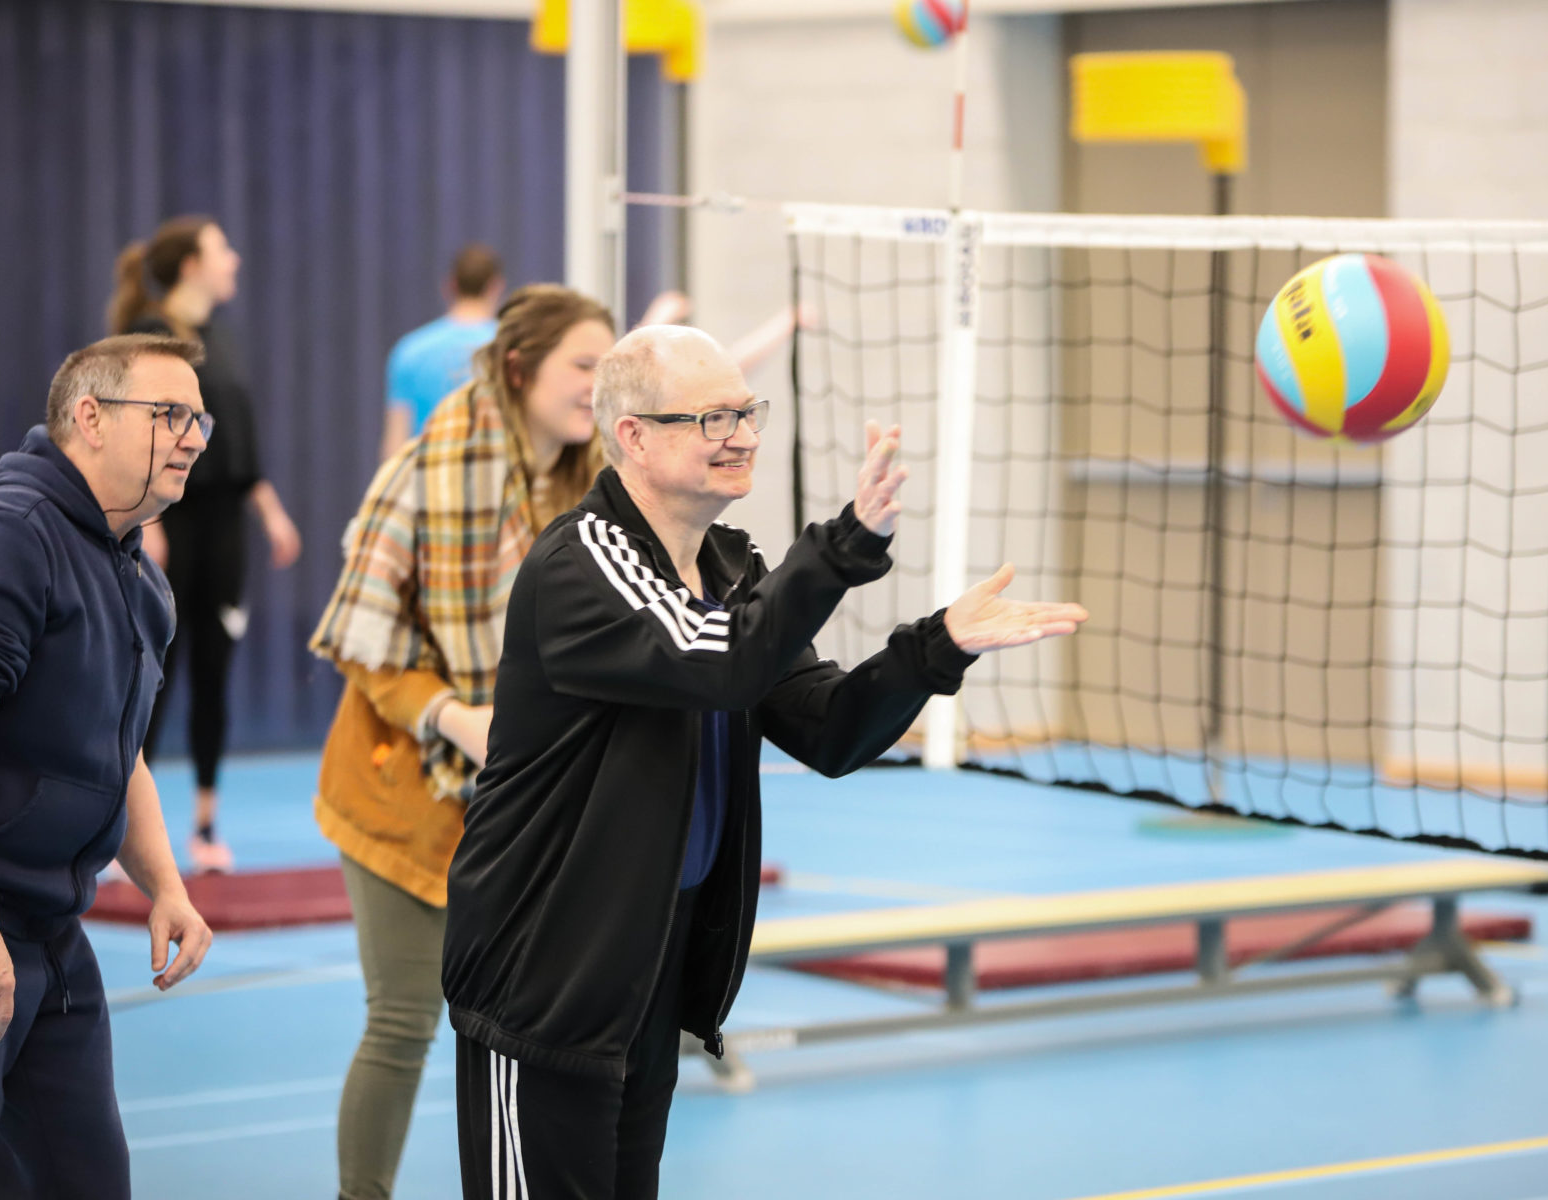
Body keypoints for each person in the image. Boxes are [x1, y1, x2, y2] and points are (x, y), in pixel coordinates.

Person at [440, 324, 1088, 1199]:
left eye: (746, 411)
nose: (741, 434)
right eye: (712, 417)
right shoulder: (582, 564)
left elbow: (828, 731)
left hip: (646, 965)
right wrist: (845, 544)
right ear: (633, 435)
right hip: (544, 975)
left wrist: (938, 647)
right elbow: (724, 661)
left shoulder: (728, 568)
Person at [310, 286, 615, 1200]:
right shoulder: (432, 470)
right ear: (520, 370)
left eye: (610, 369)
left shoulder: (586, 473)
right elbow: (365, 643)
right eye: (582, 367)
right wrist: (454, 717)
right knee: (403, 1021)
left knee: (531, 1026)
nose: (597, 389)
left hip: (526, 792)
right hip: (403, 782)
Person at [0, 334, 215, 1199]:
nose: (193, 437)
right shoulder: (8, 532)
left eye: (198, 418)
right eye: (168, 415)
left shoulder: (136, 575)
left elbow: (115, 743)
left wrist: (166, 883)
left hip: (54, 941)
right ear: (89, 420)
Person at [109, 215, 303, 872]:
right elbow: (138, 440)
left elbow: (231, 439)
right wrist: (151, 521)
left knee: (215, 670)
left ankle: (205, 826)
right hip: (171, 521)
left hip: (224, 527)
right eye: (223, 249)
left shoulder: (222, 338)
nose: (235, 259)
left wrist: (270, 511)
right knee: (153, 674)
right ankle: (123, 825)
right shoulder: (147, 338)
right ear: (191, 264)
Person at [380, 244, 507, 462]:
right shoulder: (507, 348)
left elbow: (395, 443)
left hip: (426, 479)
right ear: (495, 287)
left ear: (450, 286)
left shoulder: (409, 350)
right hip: (493, 478)